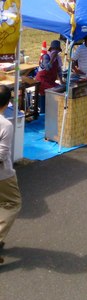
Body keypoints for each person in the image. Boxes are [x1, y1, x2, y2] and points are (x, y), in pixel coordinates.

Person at [0, 85, 22, 264]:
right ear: (7, 103)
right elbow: (2, 153)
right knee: (13, 203)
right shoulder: (6, 125)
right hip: (3, 175)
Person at [34, 39, 64, 114]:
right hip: (42, 80)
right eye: (54, 49)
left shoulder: (58, 58)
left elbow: (59, 71)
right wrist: (52, 59)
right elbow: (47, 67)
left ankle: (51, 112)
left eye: (57, 50)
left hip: (50, 80)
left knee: (61, 88)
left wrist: (62, 81)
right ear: (51, 49)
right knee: (54, 91)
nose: (56, 51)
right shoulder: (46, 56)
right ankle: (44, 113)